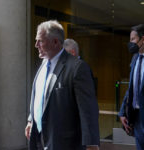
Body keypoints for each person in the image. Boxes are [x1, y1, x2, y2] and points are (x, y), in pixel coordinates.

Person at [25, 20, 100, 150]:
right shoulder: (43, 65)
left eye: (40, 41)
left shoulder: (77, 68)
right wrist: (31, 119)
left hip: (64, 142)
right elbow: (38, 95)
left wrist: (91, 143)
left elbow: (88, 109)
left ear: (55, 42)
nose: (36, 45)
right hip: (38, 138)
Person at [119, 24, 144, 150]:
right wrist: (123, 111)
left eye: (133, 39)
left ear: (143, 39)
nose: (131, 43)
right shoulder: (135, 59)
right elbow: (131, 88)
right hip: (137, 116)